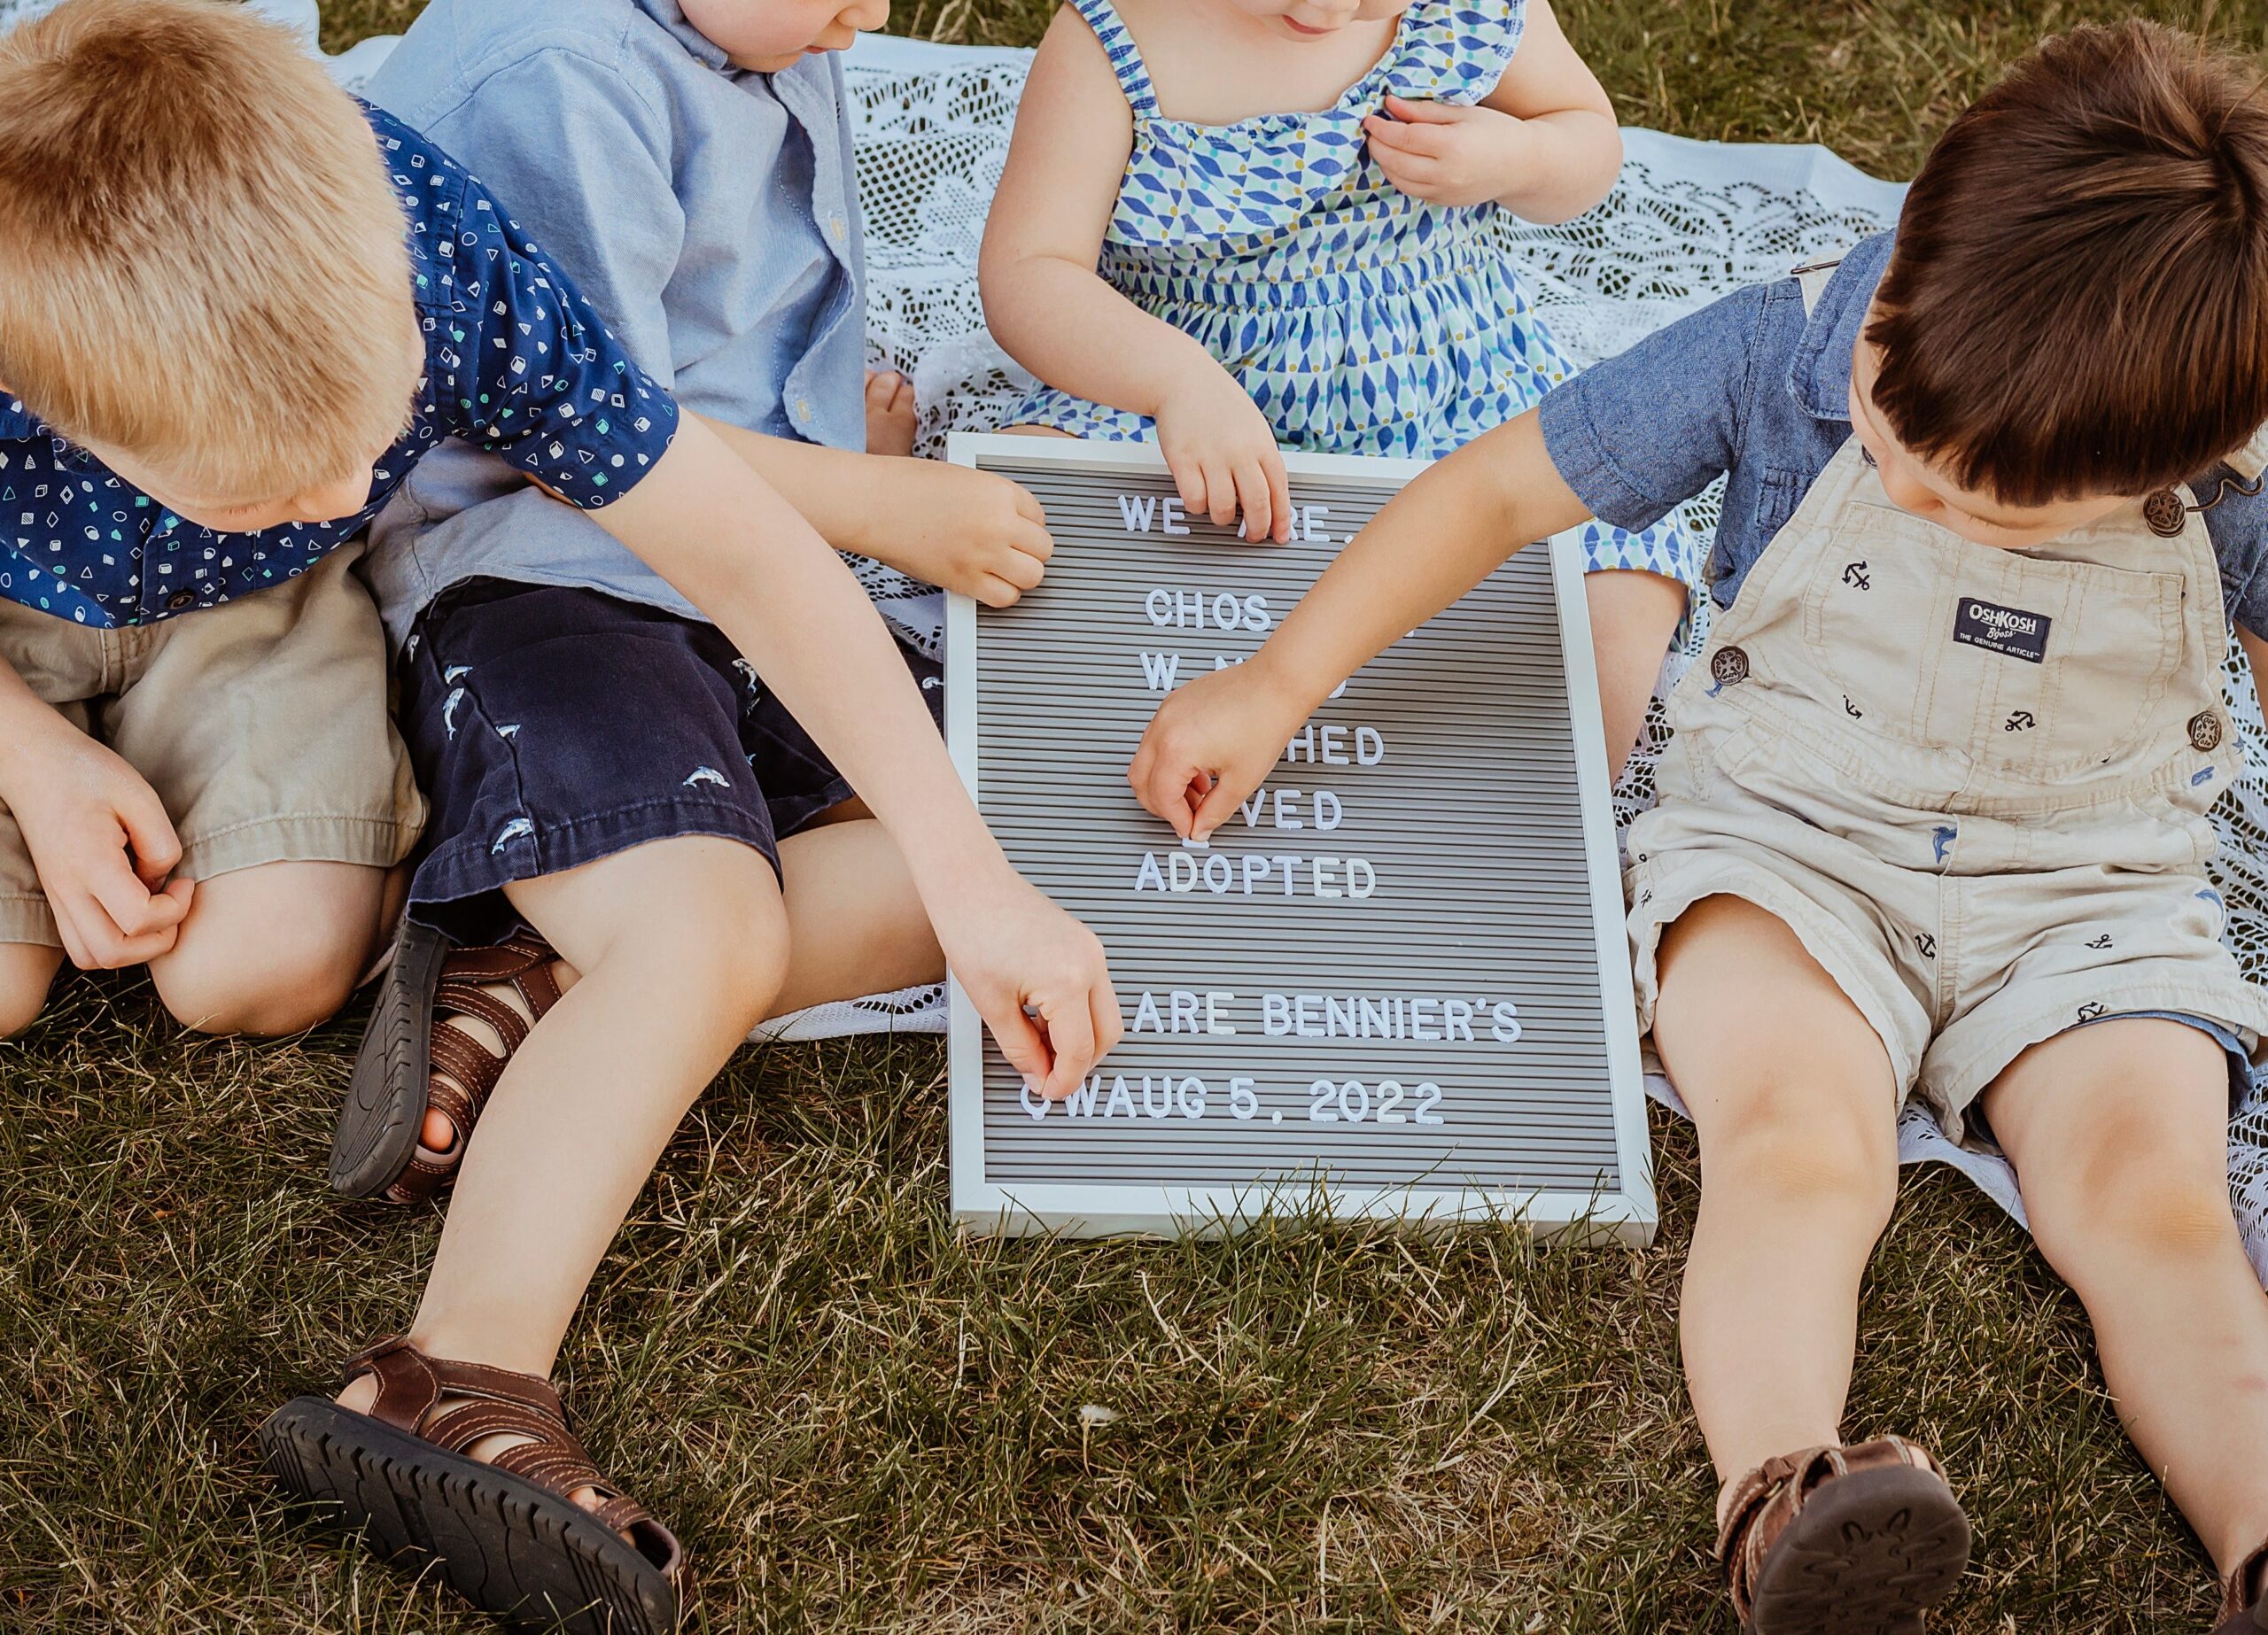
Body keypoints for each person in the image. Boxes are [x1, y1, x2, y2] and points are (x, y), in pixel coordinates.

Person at [1130, 22, 2268, 1631]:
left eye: (1969, 502)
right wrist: (1276, 679)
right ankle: (1792, 1494)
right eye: (1889, 421)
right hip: (1790, 852)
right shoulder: (1776, 346)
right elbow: (1494, 495)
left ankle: (2255, 1536)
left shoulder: (2236, 487)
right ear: (1916, 245)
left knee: (2158, 1206)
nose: (1903, 472)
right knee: (1797, 1148)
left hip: (2090, 889)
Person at [0, 4, 1118, 1631]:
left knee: (270, 969)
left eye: (363, 455)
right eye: (273, 492)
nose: (339, 511)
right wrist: (32, 755)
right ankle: (467, 1323)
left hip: (241, 625)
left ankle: (508, 1059)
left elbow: (735, 541)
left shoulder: (434, 246)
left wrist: (974, 880)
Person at [980, 0, 1692, 778]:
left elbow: (1586, 136)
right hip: (1194, 386)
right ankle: (1101, 789)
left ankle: (1474, 816)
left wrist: (1520, 157)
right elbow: (1029, 271)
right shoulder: (1116, 35)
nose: (1325, 10)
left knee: (1613, 571)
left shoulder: (1470, 11)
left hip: (1452, 382)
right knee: (1010, 528)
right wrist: (1175, 382)